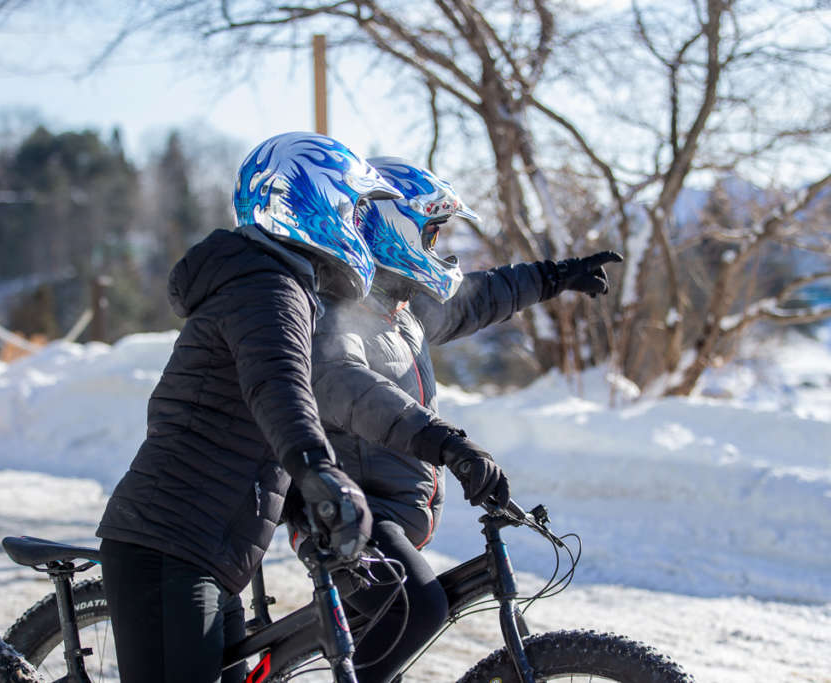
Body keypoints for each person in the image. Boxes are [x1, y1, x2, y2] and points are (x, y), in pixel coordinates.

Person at [299, 157, 622, 683]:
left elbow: (477, 299)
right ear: (391, 229)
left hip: (393, 513)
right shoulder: (336, 317)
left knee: (380, 656)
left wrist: (552, 277)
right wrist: (446, 444)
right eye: (429, 233)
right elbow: (350, 389)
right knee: (419, 609)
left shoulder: (399, 311)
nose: (436, 247)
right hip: (348, 514)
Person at [95, 132, 402, 683]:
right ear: (314, 201)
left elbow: (247, 426)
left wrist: (301, 499)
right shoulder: (266, 288)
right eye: (352, 209)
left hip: (207, 553)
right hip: (170, 546)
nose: (359, 227)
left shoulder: (277, 283)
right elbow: (277, 388)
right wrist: (319, 469)